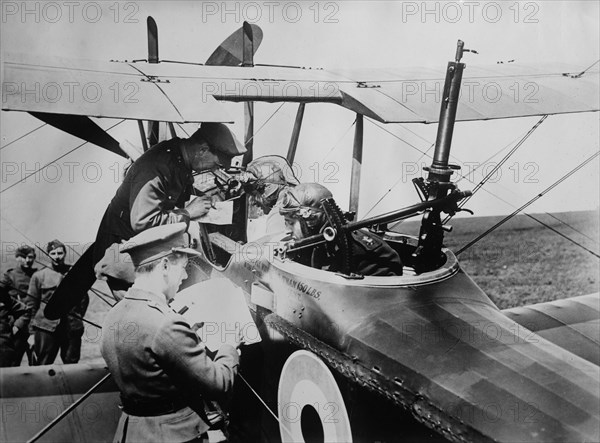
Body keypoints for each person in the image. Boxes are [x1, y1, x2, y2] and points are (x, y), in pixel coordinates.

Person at [45, 123, 246, 318]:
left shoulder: (179, 159)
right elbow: (143, 221)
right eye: (217, 164)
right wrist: (188, 213)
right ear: (202, 150)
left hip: (147, 249)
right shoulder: (157, 166)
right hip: (124, 254)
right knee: (146, 316)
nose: (213, 169)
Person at [101, 222, 240, 443]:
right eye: (183, 267)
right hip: (172, 435)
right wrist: (229, 345)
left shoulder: (113, 316)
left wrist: (184, 340)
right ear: (165, 266)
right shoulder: (166, 324)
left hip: (131, 432)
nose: (184, 276)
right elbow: (218, 385)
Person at [279, 183, 403, 276]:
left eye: (290, 223)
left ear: (311, 220)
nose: (287, 231)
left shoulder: (357, 249)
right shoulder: (314, 241)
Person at [26, 240, 89, 365]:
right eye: (53, 253)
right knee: (43, 365)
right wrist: (32, 333)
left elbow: (83, 300)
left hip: (70, 328)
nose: (57, 256)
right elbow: (31, 305)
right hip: (46, 328)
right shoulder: (39, 276)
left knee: (71, 364)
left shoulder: (74, 273)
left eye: (60, 253)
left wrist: (76, 317)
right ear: (48, 255)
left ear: (65, 254)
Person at [244, 155, 299, 241]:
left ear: (266, 187)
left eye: (255, 194)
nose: (254, 201)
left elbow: (272, 248)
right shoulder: (296, 198)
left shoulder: (279, 213)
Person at [0, 245, 37, 366]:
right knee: (14, 363)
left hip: (36, 326)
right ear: (17, 258)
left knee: (37, 363)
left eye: (30, 257)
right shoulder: (10, 276)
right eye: (23, 257)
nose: (27, 260)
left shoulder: (38, 275)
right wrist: (16, 325)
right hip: (19, 328)